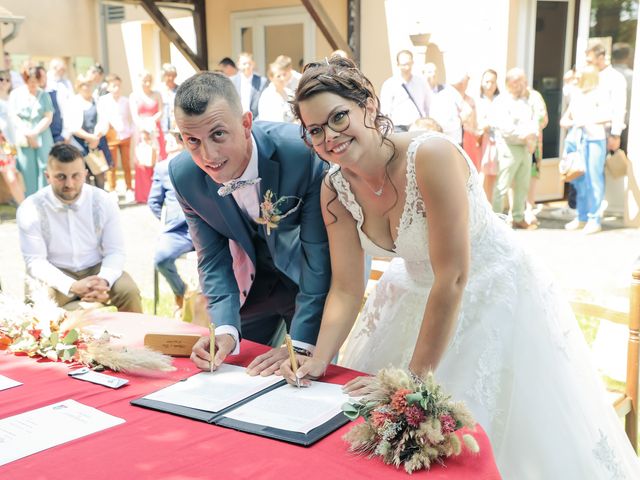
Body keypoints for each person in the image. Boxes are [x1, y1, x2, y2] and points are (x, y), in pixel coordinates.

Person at [280, 57, 640, 479]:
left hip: (491, 292)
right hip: (411, 293)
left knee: (483, 441)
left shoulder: (430, 156)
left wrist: (408, 383)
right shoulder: (333, 189)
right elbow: (344, 288)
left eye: (339, 117)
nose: (331, 137)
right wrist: (319, 359)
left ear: (369, 107)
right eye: (316, 130)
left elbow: (452, 277)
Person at [169, 71, 331, 375]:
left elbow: (318, 257)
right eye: (193, 141)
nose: (208, 156)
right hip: (250, 283)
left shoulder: (301, 154)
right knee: (235, 372)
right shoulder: (184, 176)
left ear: (245, 124)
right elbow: (212, 258)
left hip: (306, 277)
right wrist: (225, 329)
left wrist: (301, 343)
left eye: (218, 134)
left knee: (302, 374)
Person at [17, 143, 142, 312]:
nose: (69, 183)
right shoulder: (30, 208)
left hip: (96, 269)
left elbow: (115, 251)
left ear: (85, 174)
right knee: (38, 300)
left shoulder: (104, 201)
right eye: (61, 177)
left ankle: (135, 337)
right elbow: (35, 262)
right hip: (55, 272)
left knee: (129, 291)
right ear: (48, 176)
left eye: (76, 176)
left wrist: (103, 281)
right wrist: (72, 285)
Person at [560, 66, 610, 235]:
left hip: (594, 140)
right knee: (578, 180)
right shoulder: (577, 94)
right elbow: (566, 118)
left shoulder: (599, 93)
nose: (576, 79)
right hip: (576, 140)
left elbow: (608, 115)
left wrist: (586, 120)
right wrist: (568, 122)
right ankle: (581, 217)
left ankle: (594, 219)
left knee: (593, 180)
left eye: (579, 76)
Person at [148, 131, 194, 312]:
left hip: (207, 228)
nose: (166, 146)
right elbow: (154, 202)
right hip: (178, 231)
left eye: (170, 141)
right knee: (161, 259)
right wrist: (170, 220)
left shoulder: (200, 161)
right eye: (165, 142)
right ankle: (181, 292)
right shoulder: (162, 167)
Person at [490, 67, 538, 229]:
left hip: (525, 147)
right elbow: (505, 127)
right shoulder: (501, 101)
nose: (524, 84)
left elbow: (533, 120)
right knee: (502, 185)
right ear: (511, 82)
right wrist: (525, 136)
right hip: (508, 147)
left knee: (523, 184)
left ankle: (518, 217)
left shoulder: (526, 100)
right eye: (521, 81)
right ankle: (496, 221)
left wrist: (532, 137)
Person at [9, 65, 54, 196]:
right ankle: (30, 201)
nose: (33, 84)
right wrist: (27, 133)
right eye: (30, 81)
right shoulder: (16, 94)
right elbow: (13, 115)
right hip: (23, 136)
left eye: (36, 81)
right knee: (27, 168)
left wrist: (35, 132)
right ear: (25, 79)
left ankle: (46, 199)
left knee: (45, 166)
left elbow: (48, 116)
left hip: (42, 135)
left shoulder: (44, 95)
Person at [67, 73, 113, 190]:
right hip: (80, 144)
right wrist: (89, 138)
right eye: (84, 85)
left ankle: (100, 203)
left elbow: (104, 121)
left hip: (97, 143)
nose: (87, 87)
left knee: (100, 175)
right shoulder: (73, 102)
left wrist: (96, 137)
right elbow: (72, 126)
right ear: (78, 86)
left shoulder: (98, 101)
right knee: (82, 176)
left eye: (89, 84)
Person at [130, 70, 166, 203]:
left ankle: (159, 194)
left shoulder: (157, 94)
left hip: (155, 130)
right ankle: (144, 194)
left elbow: (161, 112)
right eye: (144, 80)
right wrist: (144, 127)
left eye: (149, 80)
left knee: (158, 159)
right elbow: (135, 116)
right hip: (142, 131)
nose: (146, 83)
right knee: (143, 161)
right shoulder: (134, 96)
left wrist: (152, 122)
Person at [586, 43, 627, 155]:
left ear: (600, 58)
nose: (587, 64)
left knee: (599, 171)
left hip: (605, 134)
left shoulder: (615, 78)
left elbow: (619, 108)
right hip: (586, 133)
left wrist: (615, 134)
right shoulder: (589, 76)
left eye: (590, 60)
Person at [99, 74, 134, 201]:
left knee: (126, 163)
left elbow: (130, 118)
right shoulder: (103, 101)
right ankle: (112, 189)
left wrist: (130, 131)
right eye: (114, 86)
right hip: (111, 135)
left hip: (125, 136)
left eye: (119, 85)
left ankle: (129, 188)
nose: (117, 88)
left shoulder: (125, 100)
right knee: (111, 164)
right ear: (108, 87)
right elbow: (102, 118)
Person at [379, 50, 431, 132]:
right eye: (404, 65)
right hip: (398, 127)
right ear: (398, 65)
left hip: (417, 126)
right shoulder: (389, 84)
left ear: (412, 63)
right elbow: (385, 110)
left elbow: (428, 105)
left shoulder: (421, 82)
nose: (407, 67)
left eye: (409, 63)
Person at [0, 69, 25, 205]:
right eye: (1, 79)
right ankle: (24, 206)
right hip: (4, 144)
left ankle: (23, 206)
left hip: (19, 143)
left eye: (7, 80)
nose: (4, 82)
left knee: (17, 176)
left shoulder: (14, 99)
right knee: (11, 178)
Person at [476, 69, 500, 202]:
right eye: (487, 81)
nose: (490, 85)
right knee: (481, 174)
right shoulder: (477, 100)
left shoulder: (500, 100)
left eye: (493, 82)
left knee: (492, 175)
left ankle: (489, 206)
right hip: (481, 141)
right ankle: (479, 205)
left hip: (496, 141)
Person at [230, 52, 268, 120]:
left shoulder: (262, 82)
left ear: (253, 64)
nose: (247, 66)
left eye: (249, 63)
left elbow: (265, 105)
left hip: (255, 121)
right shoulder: (232, 81)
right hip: (236, 120)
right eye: (244, 64)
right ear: (238, 65)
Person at [159, 63, 179, 134]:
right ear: (164, 76)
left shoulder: (179, 90)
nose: (171, 78)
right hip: (162, 125)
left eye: (173, 75)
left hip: (175, 125)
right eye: (168, 75)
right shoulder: (158, 91)